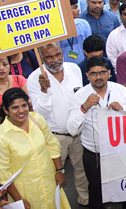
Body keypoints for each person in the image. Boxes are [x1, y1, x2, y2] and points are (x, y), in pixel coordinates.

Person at [67, 56, 126, 209]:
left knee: (125, 186)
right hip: (94, 152)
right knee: (96, 190)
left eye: (102, 72)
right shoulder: (80, 96)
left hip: (120, 149)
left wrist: (123, 109)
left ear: (109, 73)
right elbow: (72, 129)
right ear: (87, 75)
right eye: (93, 73)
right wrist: (84, 108)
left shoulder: (119, 89)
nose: (98, 77)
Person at [27, 42, 88, 206]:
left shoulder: (74, 69)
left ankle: (85, 202)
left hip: (79, 134)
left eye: (57, 55)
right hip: (55, 138)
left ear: (62, 52)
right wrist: (44, 91)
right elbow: (39, 114)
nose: (55, 60)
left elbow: (80, 98)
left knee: (82, 172)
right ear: (40, 58)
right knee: (54, 176)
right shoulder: (34, 79)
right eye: (49, 57)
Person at [0, 88, 70, 209]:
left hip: (50, 184)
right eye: (15, 107)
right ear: (6, 110)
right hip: (25, 192)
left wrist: (60, 171)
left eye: (24, 105)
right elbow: (4, 174)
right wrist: (19, 200)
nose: (21, 111)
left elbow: (52, 144)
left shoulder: (37, 119)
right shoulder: (2, 135)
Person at [59, 0, 92, 65]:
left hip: (84, 65)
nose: (78, 10)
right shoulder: (55, 30)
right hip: (65, 67)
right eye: (74, 7)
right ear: (65, 10)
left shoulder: (84, 24)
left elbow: (90, 47)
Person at [106, 2, 126, 69]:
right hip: (123, 73)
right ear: (120, 16)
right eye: (125, 14)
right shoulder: (114, 35)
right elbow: (112, 58)